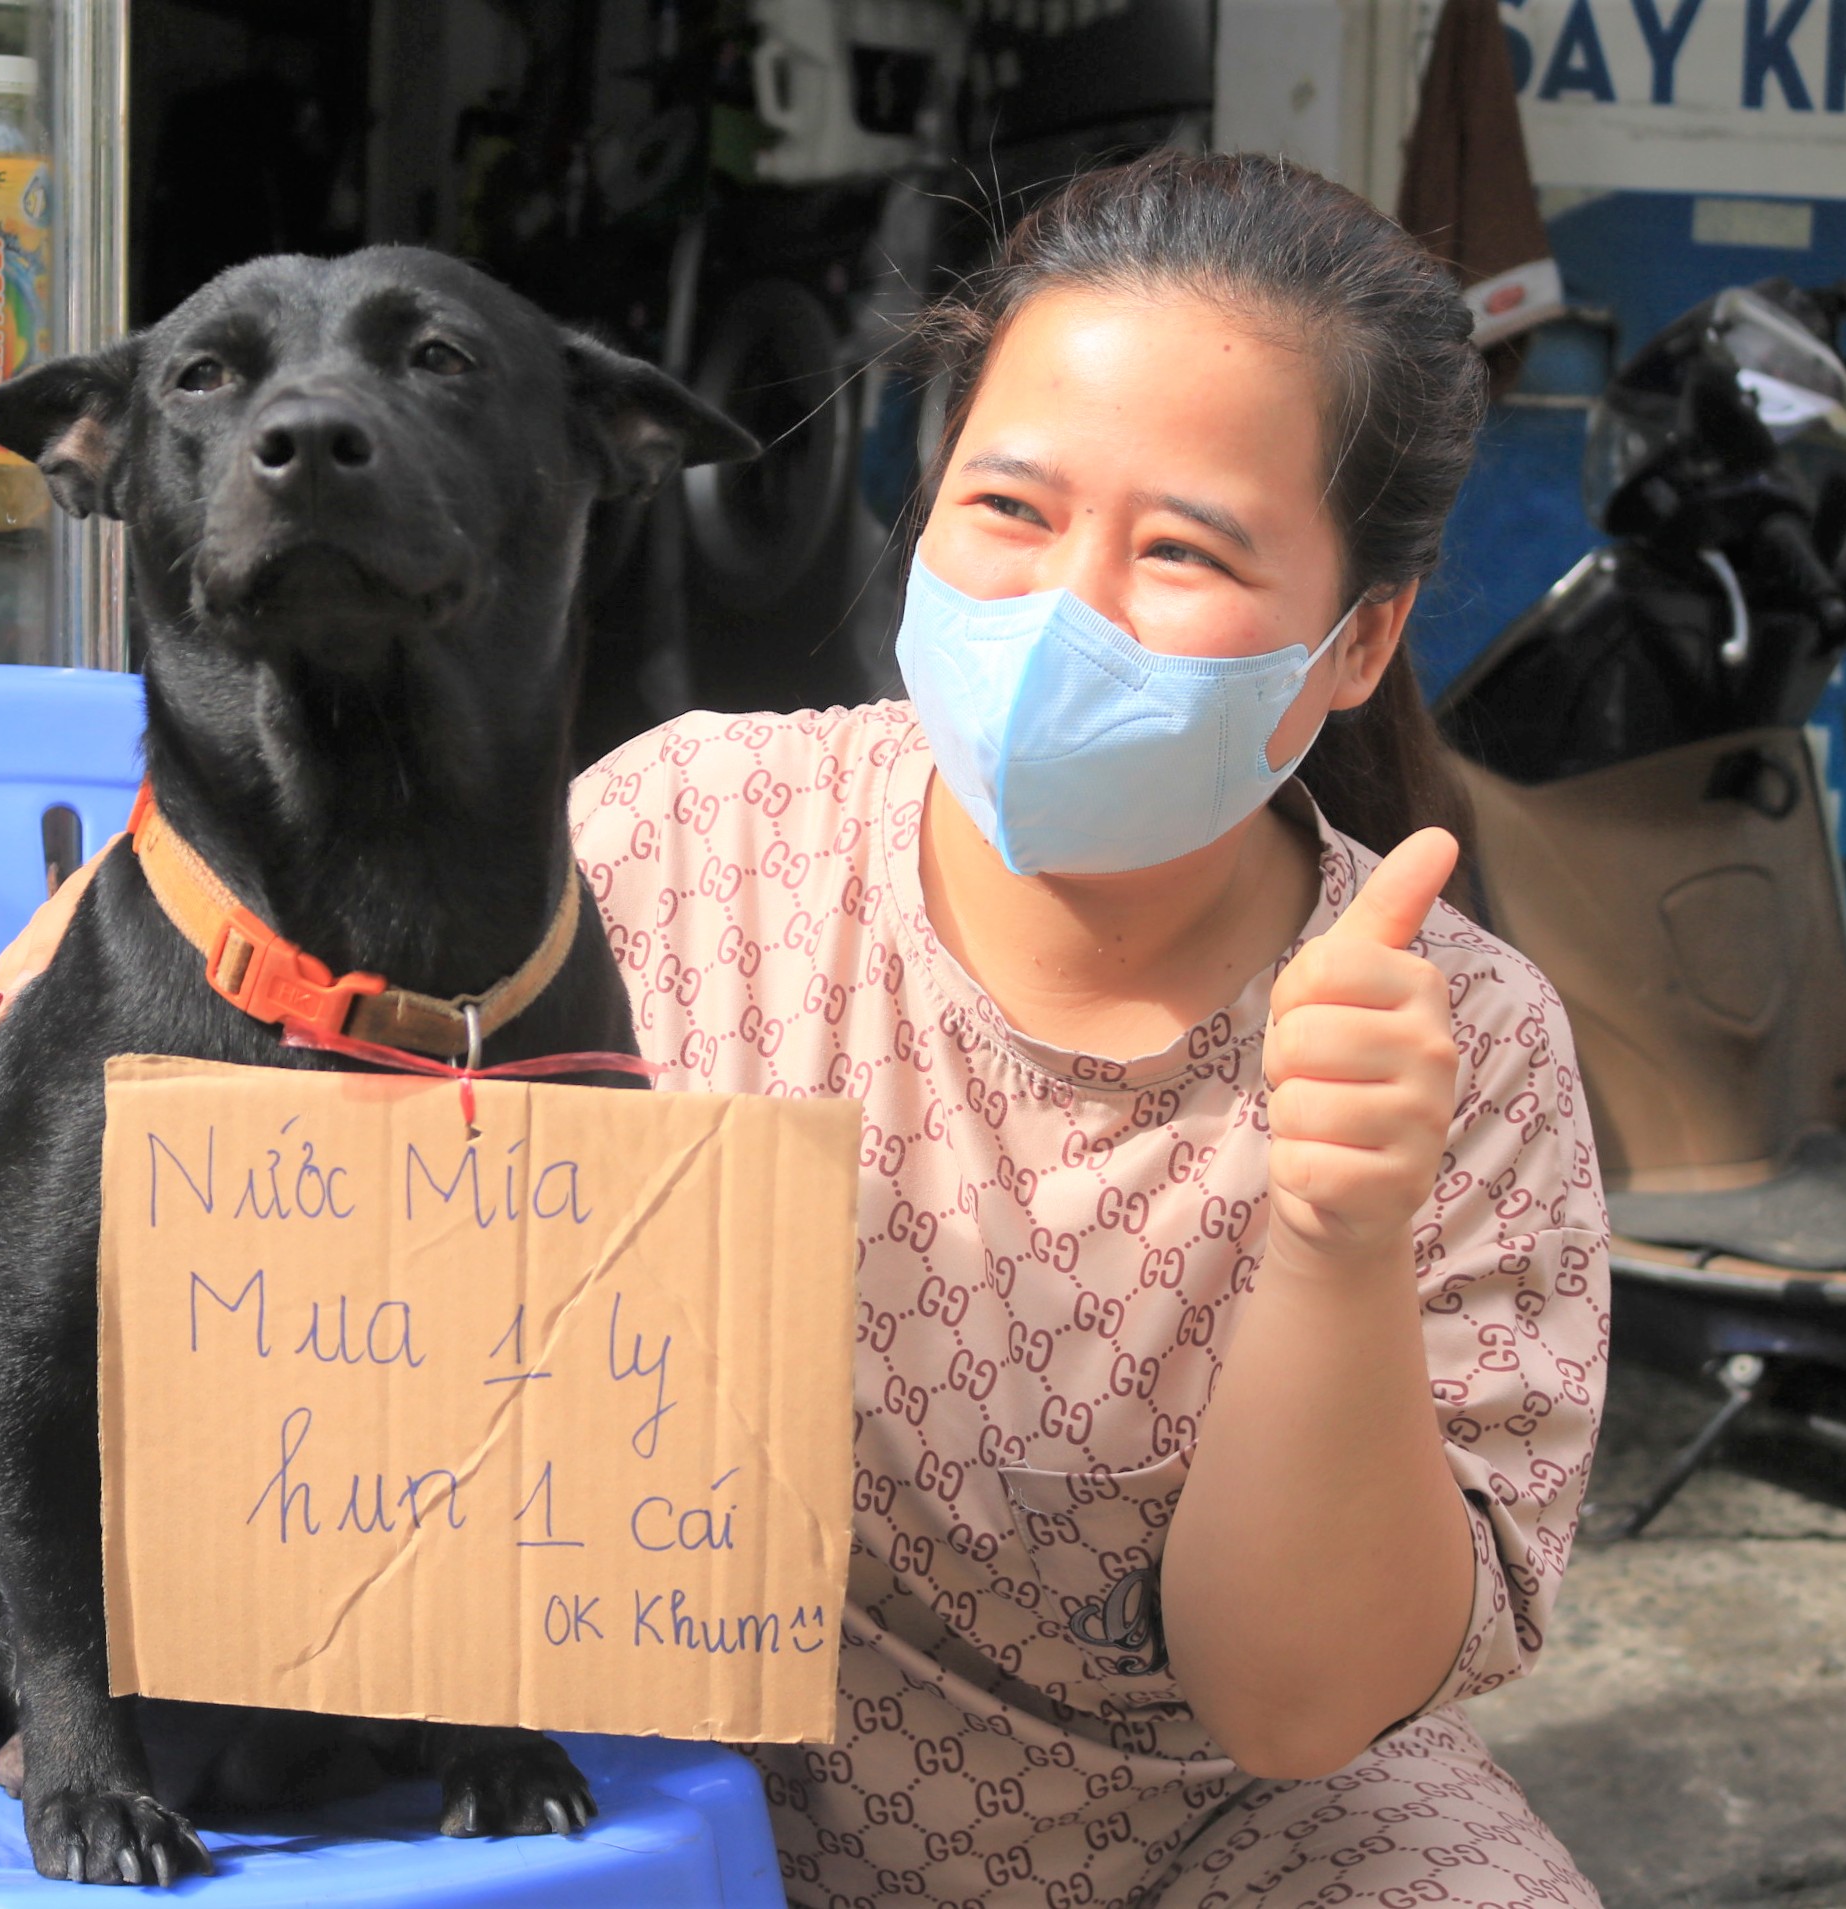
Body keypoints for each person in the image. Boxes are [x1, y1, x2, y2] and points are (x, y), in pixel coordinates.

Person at [568, 149, 1608, 1906]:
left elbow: (1294, 1704)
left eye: (1184, 547)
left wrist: (1341, 1239)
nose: (1063, 613)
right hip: (672, 1810)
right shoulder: (674, 848)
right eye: (1010, 510)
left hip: (1220, 1836)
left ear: (1357, 641)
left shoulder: (1457, 1046)